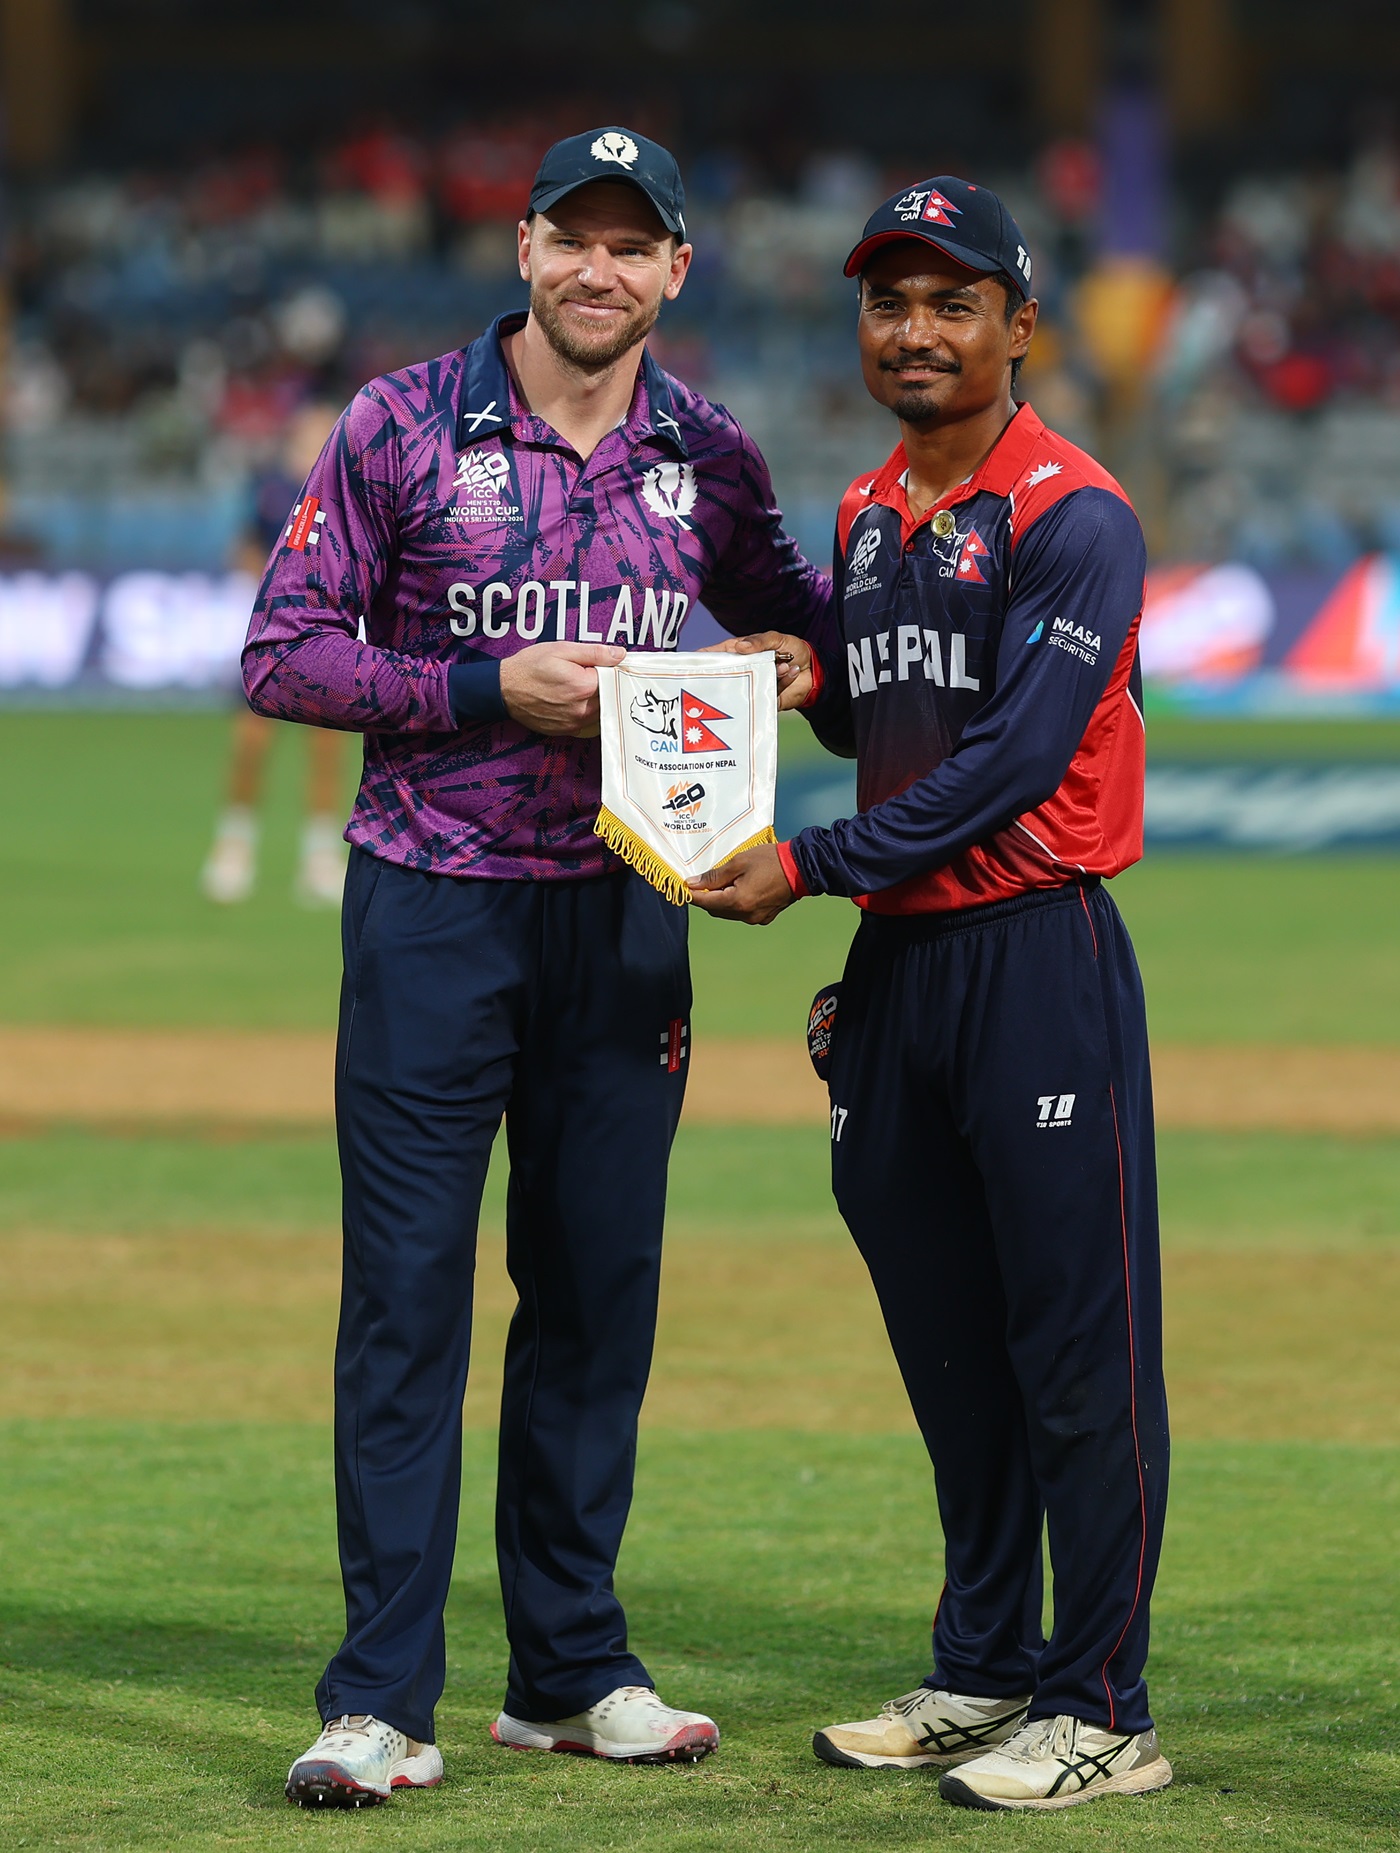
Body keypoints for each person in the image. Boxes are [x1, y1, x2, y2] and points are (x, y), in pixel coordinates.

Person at [241, 126, 832, 1809]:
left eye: (634, 246)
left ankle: (568, 1672)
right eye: (575, 238)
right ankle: (379, 1699)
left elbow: (794, 616)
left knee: (593, 1298)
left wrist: (782, 661)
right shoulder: (401, 423)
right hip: (433, 908)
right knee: (407, 1300)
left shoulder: (709, 449)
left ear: (676, 271)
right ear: (523, 249)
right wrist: (487, 688)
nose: (600, 269)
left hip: (630, 911)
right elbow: (283, 655)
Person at [690, 177, 1171, 1814]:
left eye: (952, 302)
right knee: (952, 1350)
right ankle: (984, 1667)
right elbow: (892, 720)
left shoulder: (1076, 512)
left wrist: (810, 864)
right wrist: (810, 678)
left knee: (1078, 1354)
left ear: (1019, 327)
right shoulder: (866, 510)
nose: (914, 329)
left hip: (1035, 955)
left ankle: (1103, 1706)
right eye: (888, 301)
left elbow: (1015, 760)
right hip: (899, 971)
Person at [202, 401, 350, 908]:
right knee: (251, 744)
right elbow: (243, 547)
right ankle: (234, 848)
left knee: (326, 748)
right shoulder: (270, 489)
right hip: (272, 635)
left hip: (328, 636)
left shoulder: (347, 487)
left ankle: (320, 857)